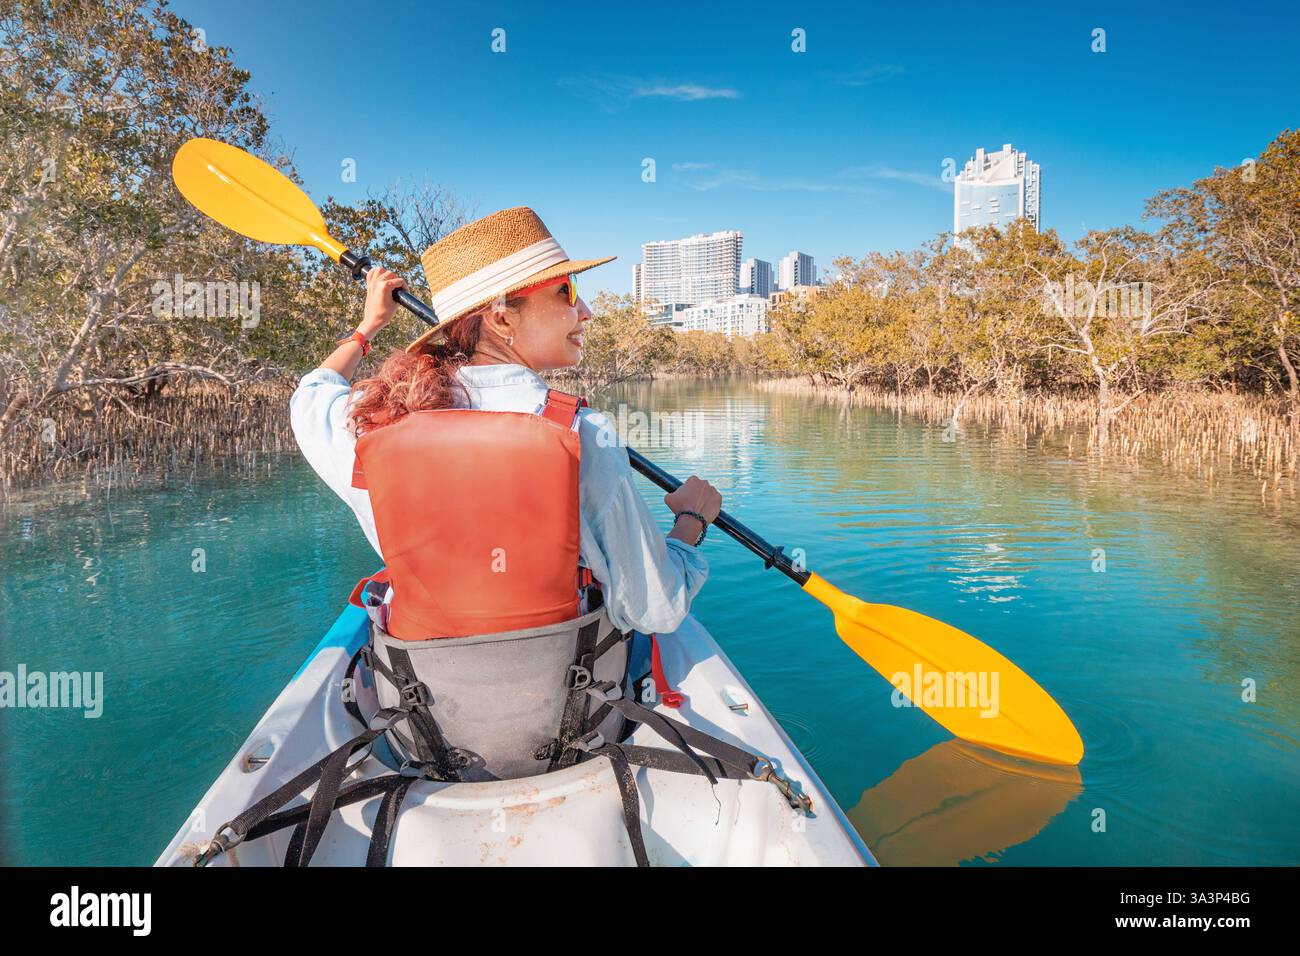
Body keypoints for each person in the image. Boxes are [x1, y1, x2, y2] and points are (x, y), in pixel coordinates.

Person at [289, 206, 722, 639]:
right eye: (567, 292)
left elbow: (312, 393)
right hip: (564, 692)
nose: (585, 311)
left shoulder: (371, 421)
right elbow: (655, 611)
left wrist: (367, 327)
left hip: (415, 692)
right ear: (500, 318)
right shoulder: (585, 433)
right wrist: (690, 522)